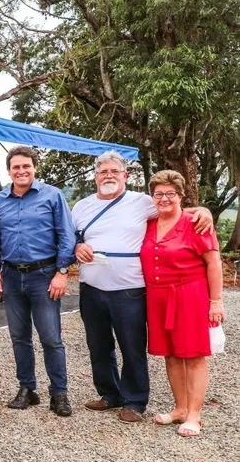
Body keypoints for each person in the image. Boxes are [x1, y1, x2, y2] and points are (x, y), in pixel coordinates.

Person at [72, 152, 213, 423]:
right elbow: (71, 238)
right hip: (91, 287)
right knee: (98, 345)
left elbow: (174, 206)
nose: (109, 176)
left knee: (132, 346)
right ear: (95, 177)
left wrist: (203, 210)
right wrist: (78, 246)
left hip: (129, 289)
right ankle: (109, 394)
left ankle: (135, 400)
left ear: (125, 176)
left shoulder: (141, 202)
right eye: (103, 172)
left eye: (115, 171)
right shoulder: (81, 207)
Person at [0, 146, 76, 417]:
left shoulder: (52, 195)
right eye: (16, 167)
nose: (21, 171)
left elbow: (67, 234)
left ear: (34, 167)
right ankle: (27, 388)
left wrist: (62, 272)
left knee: (51, 337)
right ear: (9, 170)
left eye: (26, 166)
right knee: (19, 337)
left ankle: (59, 393)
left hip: (44, 276)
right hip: (12, 276)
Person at [140, 170, 223, 437]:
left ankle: (195, 416)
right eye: (158, 193)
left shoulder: (195, 222)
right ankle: (180, 409)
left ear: (181, 195)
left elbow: (214, 262)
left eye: (170, 194)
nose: (164, 199)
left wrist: (216, 301)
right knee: (171, 354)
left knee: (194, 355)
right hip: (158, 295)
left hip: (190, 294)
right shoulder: (149, 222)